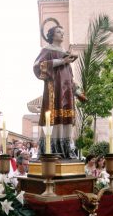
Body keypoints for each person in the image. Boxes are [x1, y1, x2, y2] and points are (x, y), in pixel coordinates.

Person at [33, 24, 85, 158]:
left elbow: (69, 76)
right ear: (51, 35)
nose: (62, 34)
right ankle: (52, 149)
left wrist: (78, 92)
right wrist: (61, 61)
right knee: (54, 117)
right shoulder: (47, 50)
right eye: (58, 32)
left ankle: (66, 149)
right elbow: (38, 66)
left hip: (66, 92)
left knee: (66, 118)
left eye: (63, 32)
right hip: (53, 90)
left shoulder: (65, 52)